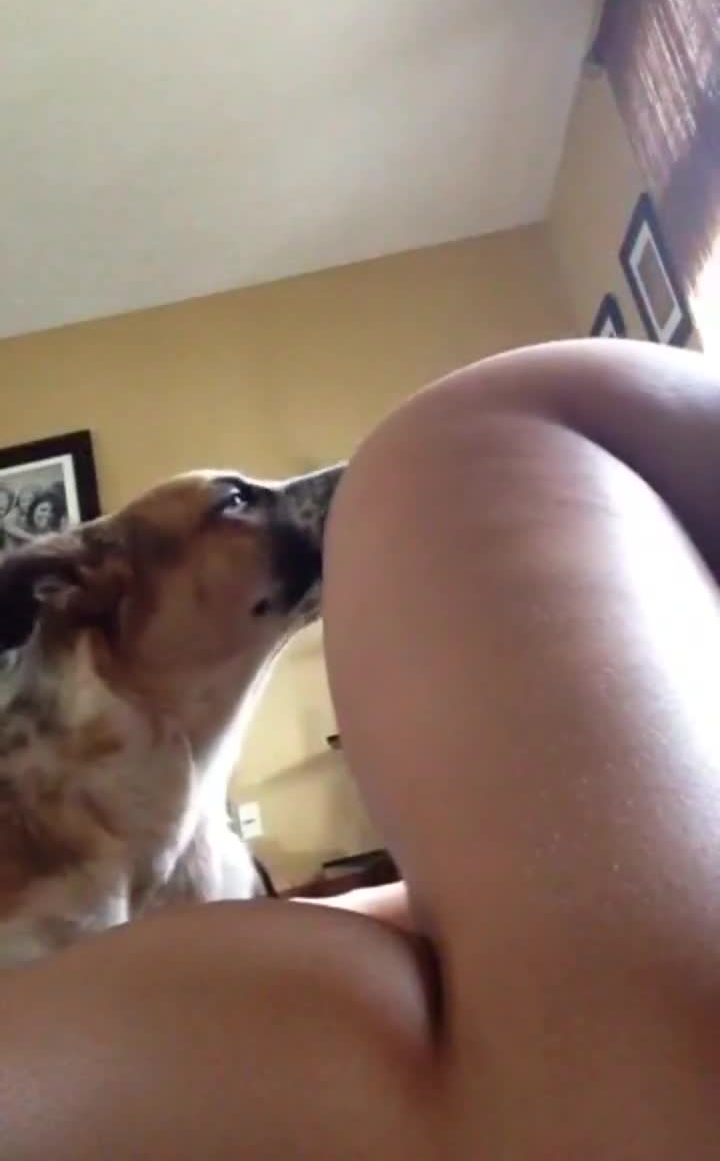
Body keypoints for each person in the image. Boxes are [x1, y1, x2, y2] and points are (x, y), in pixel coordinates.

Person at [1, 338, 719, 1158]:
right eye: (237, 502)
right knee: (454, 447)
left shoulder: (218, 876)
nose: (329, 486)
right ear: (88, 591)